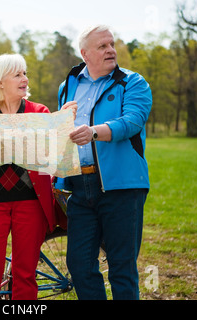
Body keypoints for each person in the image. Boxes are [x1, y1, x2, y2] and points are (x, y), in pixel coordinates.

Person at [0, 53, 76, 300]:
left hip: (31, 204)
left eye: (25, 73)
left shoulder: (39, 111)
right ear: (0, 82)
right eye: (17, 74)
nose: (25, 78)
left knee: (25, 274)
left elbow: (55, 158)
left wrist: (63, 124)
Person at [55, 25, 152, 300]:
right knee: (80, 264)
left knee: (121, 266)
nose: (111, 50)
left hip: (121, 186)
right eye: (102, 46)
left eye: (112, 44)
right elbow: (62, 131)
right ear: (85, 53)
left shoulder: (132, 82)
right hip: (78, 186)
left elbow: (132, 122)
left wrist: (94, 131)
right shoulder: (68, 85)